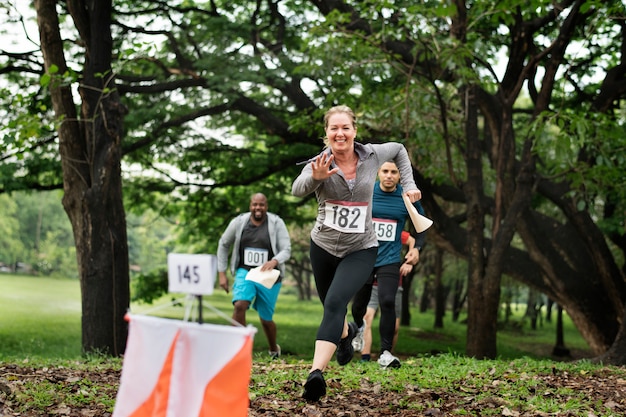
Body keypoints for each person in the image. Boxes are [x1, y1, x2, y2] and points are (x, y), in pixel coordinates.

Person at [291, 105, 422, 401]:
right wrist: (317, 177)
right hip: (323, 248)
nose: (340, 133)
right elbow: (297, 189)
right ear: (326, 133)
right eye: (334, 128)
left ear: (354, 131)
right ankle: (346, 334)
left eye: (345, 127)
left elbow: (399, 149)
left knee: (336, 302)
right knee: (332, 310)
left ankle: (316, 374)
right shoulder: (319, 162)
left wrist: (410, 185)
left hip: (361, 248)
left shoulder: (373, 155)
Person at [350, 161, 426, 369]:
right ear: (378, 173)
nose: (389, 175)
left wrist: (416, 248)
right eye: (385, 171)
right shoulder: (366, 191)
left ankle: (385, 352)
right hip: (365, 256)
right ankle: (357, 327)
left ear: (400, 176)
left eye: (394, 172)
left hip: (390, 259)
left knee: (387, 301)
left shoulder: (406, 197)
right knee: (359, 305)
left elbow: (422, 225)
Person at [217, 193, 291, 359]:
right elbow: (223, 244)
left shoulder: (276, 223)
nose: (258, 208)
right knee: (239, 305)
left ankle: (273, 348)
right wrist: (222, 273)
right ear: (250, 205)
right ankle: (238, 350)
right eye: (255, 205)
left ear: (266, 206)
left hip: (269, 275)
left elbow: (286, 249)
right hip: (246, 272)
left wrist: (274, 261)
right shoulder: (239, 222)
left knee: (266, 319)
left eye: (262, 205)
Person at [354, 231, 422, 363]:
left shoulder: (392, 229)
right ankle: (365, 357)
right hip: (372, 282)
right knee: (367, 317)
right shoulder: (368, 228)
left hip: (393, 282)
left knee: (395, 327)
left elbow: (411, 240)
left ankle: (386, 355)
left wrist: (408, 262)